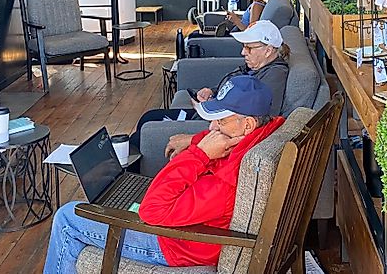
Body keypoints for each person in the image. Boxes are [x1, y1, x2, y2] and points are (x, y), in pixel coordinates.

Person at [43, 75, 284, 272]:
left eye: (220, 121)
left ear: (248, 124)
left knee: (67, 218)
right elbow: (219, 143)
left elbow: (152, 211)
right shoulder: (261, 134)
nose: (212, 127)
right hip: (186, 224)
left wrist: (199, 154)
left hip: (176, 243)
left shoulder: (229, 181)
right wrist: (197, 142)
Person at [129, 21, 290, 148]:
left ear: (268, 50)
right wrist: (212, 92)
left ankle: (122, 175)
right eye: (243, 47)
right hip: (211, 110)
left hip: (215, 122)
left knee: (145, 128)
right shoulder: (256, 66)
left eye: (249, 48)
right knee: (147, 118)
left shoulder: (275, 75)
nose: (243, 52)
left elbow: (260, 116)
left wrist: (216, 108)